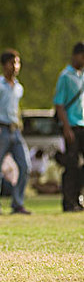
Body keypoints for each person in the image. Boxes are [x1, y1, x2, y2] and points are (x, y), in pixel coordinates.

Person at [0, 49, 31, 215]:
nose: (15, 66)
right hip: (2, 130)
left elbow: (14, 108)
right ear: (4, 65)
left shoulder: (19, 87)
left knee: (25, 166)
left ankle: (17, 203)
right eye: (12, 63)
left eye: (17, 63)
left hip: (15, 131)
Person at [53, 41, 84, 212]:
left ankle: (78, 198)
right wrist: (66, 128)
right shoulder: (65, 76)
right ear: (76, 55)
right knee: (72, 165)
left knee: (80, 166)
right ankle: (68, 201)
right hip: (71, 126)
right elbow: (59, 104)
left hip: (83, 124)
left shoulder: (82, 75)